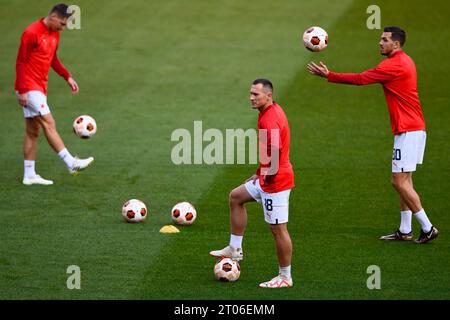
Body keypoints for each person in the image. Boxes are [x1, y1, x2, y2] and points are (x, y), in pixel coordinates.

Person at [307, 26, 438, 244]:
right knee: (405, 180)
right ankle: (405, 230)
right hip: (414, 127)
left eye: (384, 39)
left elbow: (360, 79)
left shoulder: (393, 66)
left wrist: (329, 75)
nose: (380, 42)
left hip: (408, 130)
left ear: (395, 44)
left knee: (398, 182)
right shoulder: (407, 60)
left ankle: (427, 227)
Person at [210, 79, 295, 288]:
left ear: (269, 96)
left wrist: (266, 178)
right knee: (236, 197)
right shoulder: (269, 112)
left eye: (256, 94)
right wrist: (258, 173)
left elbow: (274, 153)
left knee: (278, 230)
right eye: (250, 93)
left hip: (275, 182)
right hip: (268, 176)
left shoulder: (269, 119)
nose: (251, 97)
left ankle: (285, 276)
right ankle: (235, 248)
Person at [15, 3, 94, 186]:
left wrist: (67, 76)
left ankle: (29, 175)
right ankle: (71, 163)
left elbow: (52, 58)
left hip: (40, 87)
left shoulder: (54, 34)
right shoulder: (31, 33)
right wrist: (23, 90)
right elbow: (20, 62)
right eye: (63, 24)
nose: (64, 28)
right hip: (29, 86)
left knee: (33, 131)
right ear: (53, 17)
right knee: (49, 122)